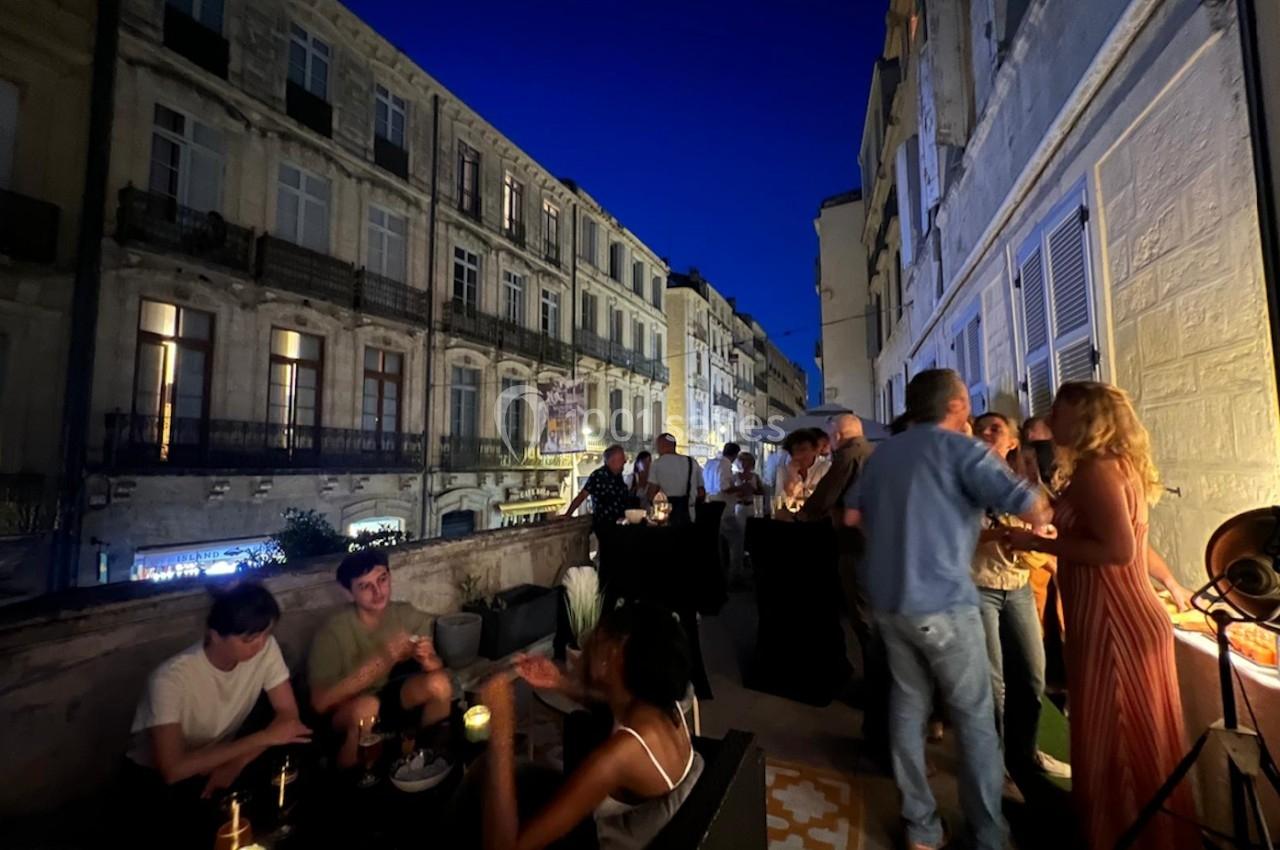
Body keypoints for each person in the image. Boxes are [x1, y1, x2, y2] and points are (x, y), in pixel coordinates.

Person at [842, 369, 1051, 850]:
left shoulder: (883, 453)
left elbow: (854, 515)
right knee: (975, 717)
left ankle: (921, 828)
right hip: (944, 603)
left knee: (907, 710)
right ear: (957, 405)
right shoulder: (965, 449)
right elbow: (1029, 507)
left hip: (890, 603)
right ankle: (988, 834)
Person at [1003, 382, 1199, 850]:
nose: (1050, 421)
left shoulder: (1097, 470)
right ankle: (1141, 832)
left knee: (1120, 739)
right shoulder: (1114, 466)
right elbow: (1134, 544)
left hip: (1114, 620)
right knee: (1127, 734)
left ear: (1087, 417)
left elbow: (1117, 549)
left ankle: (1123, 834)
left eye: (1059, 412)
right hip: (1116, 615)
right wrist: (1170, 583)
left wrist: (1038, 543)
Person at [480, 601, 704, 850]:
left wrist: (500, 726)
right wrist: (559, 682)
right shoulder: (661, 702)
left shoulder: (620, 755)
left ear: (614, 653)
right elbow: (611, 703)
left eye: (595, 638)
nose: (585, 649)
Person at [126, 583, 310, 795]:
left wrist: (237, 763)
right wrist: (264, 738)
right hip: (157, 780)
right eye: (248, 639)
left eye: (265, 634)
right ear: (214, 635)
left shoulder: (266, 648)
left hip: (224, 757)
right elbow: (172, 769)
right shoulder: (170, 679)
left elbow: (288, 715)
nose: (260, 645)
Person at [970, 412, 1070, 787]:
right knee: (991, 683)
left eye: (995, 428)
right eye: (980, 428)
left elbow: (1046, 526)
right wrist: (998, 538)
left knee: (1031, 675)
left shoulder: (1026, 482)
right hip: (977, 583)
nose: (985, 432)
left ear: (1013, 440)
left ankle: (1023, 753)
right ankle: (992, 764)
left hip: (1019, 584)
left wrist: (1038, 538)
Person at [308, 548, 454, 768]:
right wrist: (382, 660)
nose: (378, 591)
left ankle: (431, 757)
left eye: (382, 579)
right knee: (366, 707)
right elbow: (320, 704)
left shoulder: (406, 614)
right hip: (349, 706)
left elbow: (435, 666)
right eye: (365, 586)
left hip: (392, 695)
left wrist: (430, 661)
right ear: (350, 593)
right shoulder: (332, 632)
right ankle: (355, 774)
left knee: (440, 683)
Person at [795, 414, 887, 753]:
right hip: (874, 546)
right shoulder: (874, 453)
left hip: (854, 546)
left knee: (864, 619)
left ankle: (875, 691)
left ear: (838, 434)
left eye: (830, 435)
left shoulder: (848, 456)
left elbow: (822, 498)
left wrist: (803, 513)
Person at [564, 445, 631, 530]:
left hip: (622, 525)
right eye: (621, 459)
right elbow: (582, 496)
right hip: (606, 527)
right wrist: (568, 514)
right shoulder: (598, 476)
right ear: (612, 461)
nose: (624, 462)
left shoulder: (618, 477)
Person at [646, 433, 704, 526]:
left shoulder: (657, 464)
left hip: (664, 517)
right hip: (689, 515)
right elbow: (701, 492)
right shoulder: (692, 462)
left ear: (661, 445)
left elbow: (651, 494)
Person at [723, 451, 763, 583]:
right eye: (743, 461)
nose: (745, 464)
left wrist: (753, 489)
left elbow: (761, 492)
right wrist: (740, 490)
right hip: (739, 507)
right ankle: (738, 567)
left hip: (752, 507)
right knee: (739, 537)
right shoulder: (735, 477)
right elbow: (730, 491)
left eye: (748, 461)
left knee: (753, 536)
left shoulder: (755, 477)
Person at [773, 428, 829, 516]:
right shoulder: (783, 470)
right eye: (796, 450)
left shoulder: (825, 468)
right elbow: (779, 503)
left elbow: (825, 499)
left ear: (814, 450)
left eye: (804, 449)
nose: (800, 455)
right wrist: (792, 477)